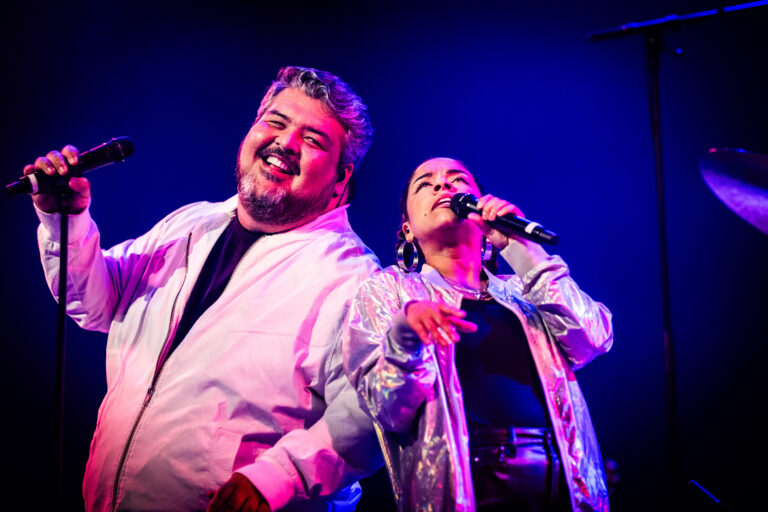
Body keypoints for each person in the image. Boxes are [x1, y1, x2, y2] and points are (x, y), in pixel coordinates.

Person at [25, 66, 383, 512]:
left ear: (341, 178)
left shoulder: (352, 278)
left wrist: (279, 476)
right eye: (276, 122)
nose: (285, 144)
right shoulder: (192, 223)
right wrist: (68, 221)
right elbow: (96, 302)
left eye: (313, 140)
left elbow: (370, 415)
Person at [343, 157, 614, 511]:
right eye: (426, 184)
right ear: (407, 228)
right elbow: (387, 409)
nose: (443, 186)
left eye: (458, 181)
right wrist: (406, 335)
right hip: (462, 487)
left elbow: (591, 338)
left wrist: (524, 249)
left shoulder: (524, 292)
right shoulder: (390, 291)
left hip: (561, 482)